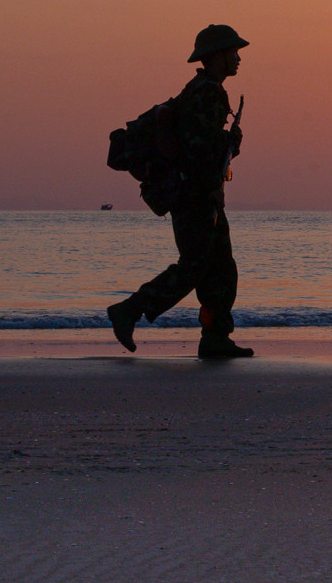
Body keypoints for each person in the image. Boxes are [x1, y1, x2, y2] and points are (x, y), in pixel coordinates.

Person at [107, 24, 252, 358]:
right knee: (196, 265)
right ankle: (130, 310)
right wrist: (229, 144)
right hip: (195, 195)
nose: (238, 57)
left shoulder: (204, 89)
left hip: (202, 193)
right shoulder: (208, 92)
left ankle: (216, 336)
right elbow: (197, 148)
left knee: (220, 268)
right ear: (217, 55)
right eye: (233, 51)